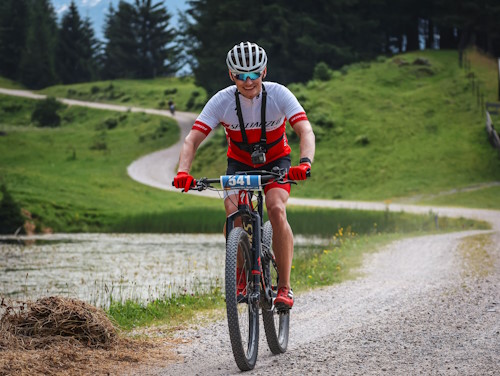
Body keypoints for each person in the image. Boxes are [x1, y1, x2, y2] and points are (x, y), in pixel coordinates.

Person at [173, 41, 315, 310]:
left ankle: (284, 287)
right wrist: (183, 172)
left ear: (264, 71)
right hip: (239, 164)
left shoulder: (279, 94)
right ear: (231, 75)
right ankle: (240, 274)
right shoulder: (222, 101)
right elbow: (192, 140)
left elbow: (305, 131)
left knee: (275, 207)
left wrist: (304, 163)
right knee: (234, 213)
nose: (248, 82)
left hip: (276, 161)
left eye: (253, 74)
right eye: (241, 76)